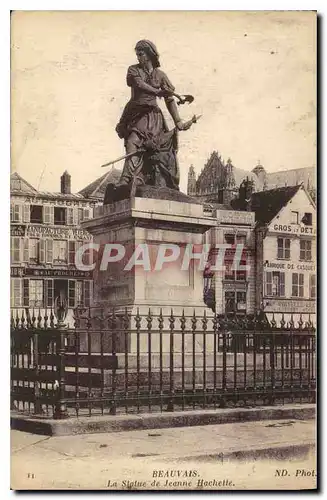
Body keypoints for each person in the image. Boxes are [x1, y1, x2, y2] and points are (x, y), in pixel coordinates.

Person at [115, 39, 192, 190]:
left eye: (141, 54)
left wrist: (178, 122)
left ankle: (139, 178)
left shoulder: (161, 75)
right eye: (137, 54)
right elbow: (139, 85)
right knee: (133, 141)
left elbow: (169, 100)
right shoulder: (133, 70)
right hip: (136, 113)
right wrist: (158, 91)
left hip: (153, 116)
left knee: (149, 148)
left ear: (149, 55)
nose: (138, 57)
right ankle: (127, 179)